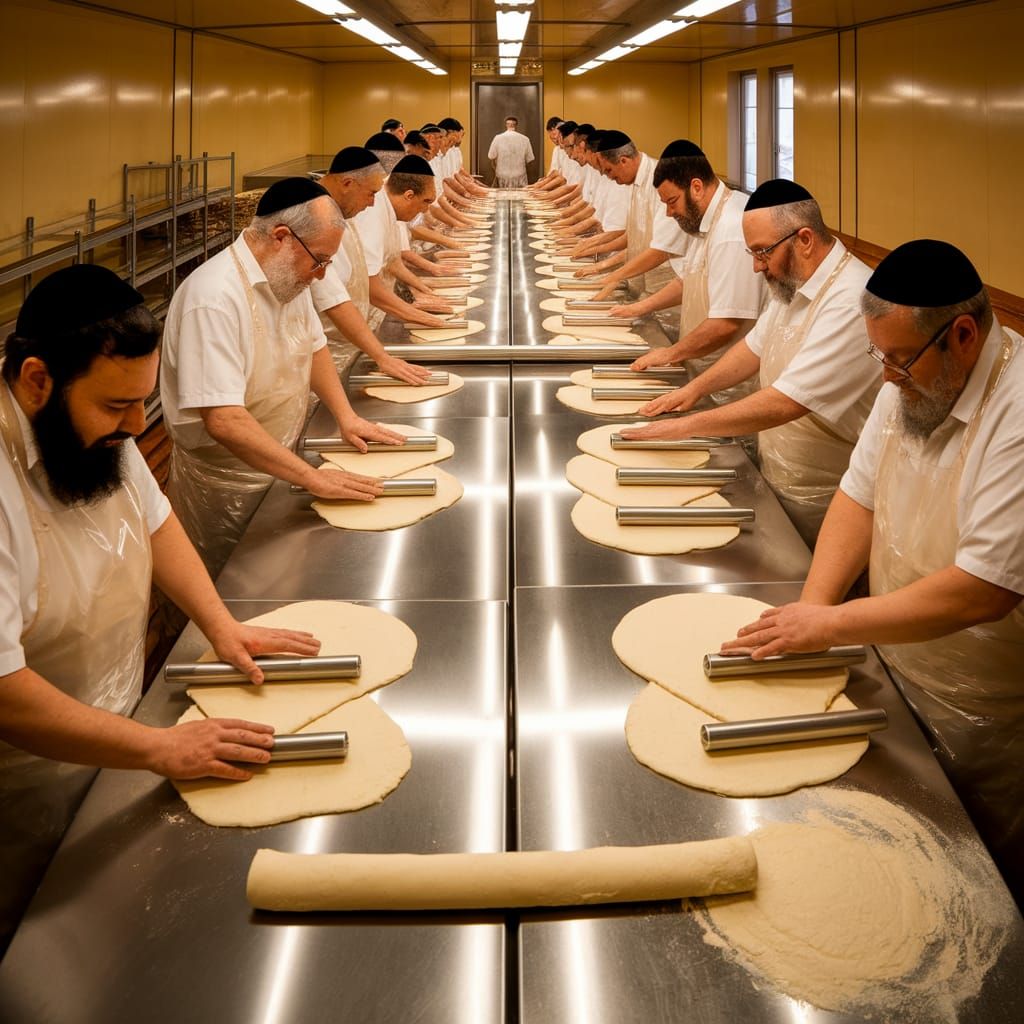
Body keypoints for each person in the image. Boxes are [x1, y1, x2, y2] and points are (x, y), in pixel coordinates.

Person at [0, 265, 322, 947]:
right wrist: (160, 747)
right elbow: (5, 695)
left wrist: (222, 625)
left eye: (140, 405)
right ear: (36, 380)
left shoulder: (99, 432)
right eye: (116, 407)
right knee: (36, 946)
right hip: (24, 785)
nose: (132, 425)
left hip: (112, 731)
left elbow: (155, 522)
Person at [723, 240, 1024, 903]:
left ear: (964, 335)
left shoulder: (1018, 413)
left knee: (976, 881)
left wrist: (830, 623)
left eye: (898, 359)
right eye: (879, 356)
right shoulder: (915, 377)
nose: (886, 375)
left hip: (991, 709)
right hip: (900, 664)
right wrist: (811, 613)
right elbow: (859, 498)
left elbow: (983, 589)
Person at [160, 177, 399, 577]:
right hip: (225, 482)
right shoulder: (213, 299)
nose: (321, 275)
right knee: (228, 587)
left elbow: (313, 345)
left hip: (279, 459)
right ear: (282, 237)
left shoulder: (286, 278)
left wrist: (346, 416)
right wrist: (311, 478)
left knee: (277, 575)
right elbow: (223, 420)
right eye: (319, 260)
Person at [622, 179, 881, 546]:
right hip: (782, 469)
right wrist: (695, 389)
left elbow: (788, 401)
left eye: (763, 253)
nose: (758, 268)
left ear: (804, 239)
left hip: (825, 489)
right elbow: (754, 347)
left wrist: (688, 426)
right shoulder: (794, 281)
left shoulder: (851, 300)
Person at [620, 141, 765, 406]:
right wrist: (637, 308)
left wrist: (671, 353)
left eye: (672, 201)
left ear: (696, 187)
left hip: (730, 383)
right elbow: (689, 280)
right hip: (705, 365)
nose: (669, 212)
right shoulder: (706, 219)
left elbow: (727, 323)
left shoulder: (731, 231)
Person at [311, 146, 432, 384]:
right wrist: (381, 355)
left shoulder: (343, 210)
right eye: (371, 193)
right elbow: (335, 301)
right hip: (330, 346)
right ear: (347, 183)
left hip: (348, 338)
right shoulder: (317, 218)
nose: (372, 203)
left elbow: (383, 262)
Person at [576, 130, 688, 327]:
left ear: (624, 161)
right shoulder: (635, 183)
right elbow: (635, 235)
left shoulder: (659, 181)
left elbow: (662, 250)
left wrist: (610, 274)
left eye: (609, 171)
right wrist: (599, 261)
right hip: (645, 282)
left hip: (667, 288)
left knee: (665, 337)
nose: (609, 178)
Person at [351, 155, 455, 330]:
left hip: (376, 310)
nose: (426, 209)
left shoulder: (390, 208)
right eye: (426, 202)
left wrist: (425, 290)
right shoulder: (373, 214)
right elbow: (368, 282)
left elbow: (393, 261)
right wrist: (418, 316)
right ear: (409, 195)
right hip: (356, 319)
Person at [487, 116, 535, 188]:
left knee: (501, 198)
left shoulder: (497, 138)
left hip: (502, 177)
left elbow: (491, 156)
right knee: (520, 198)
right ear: (516, 125)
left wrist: (497, 169)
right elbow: (530, 160)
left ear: (506, 125)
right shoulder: (525, 139)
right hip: (520, 177)